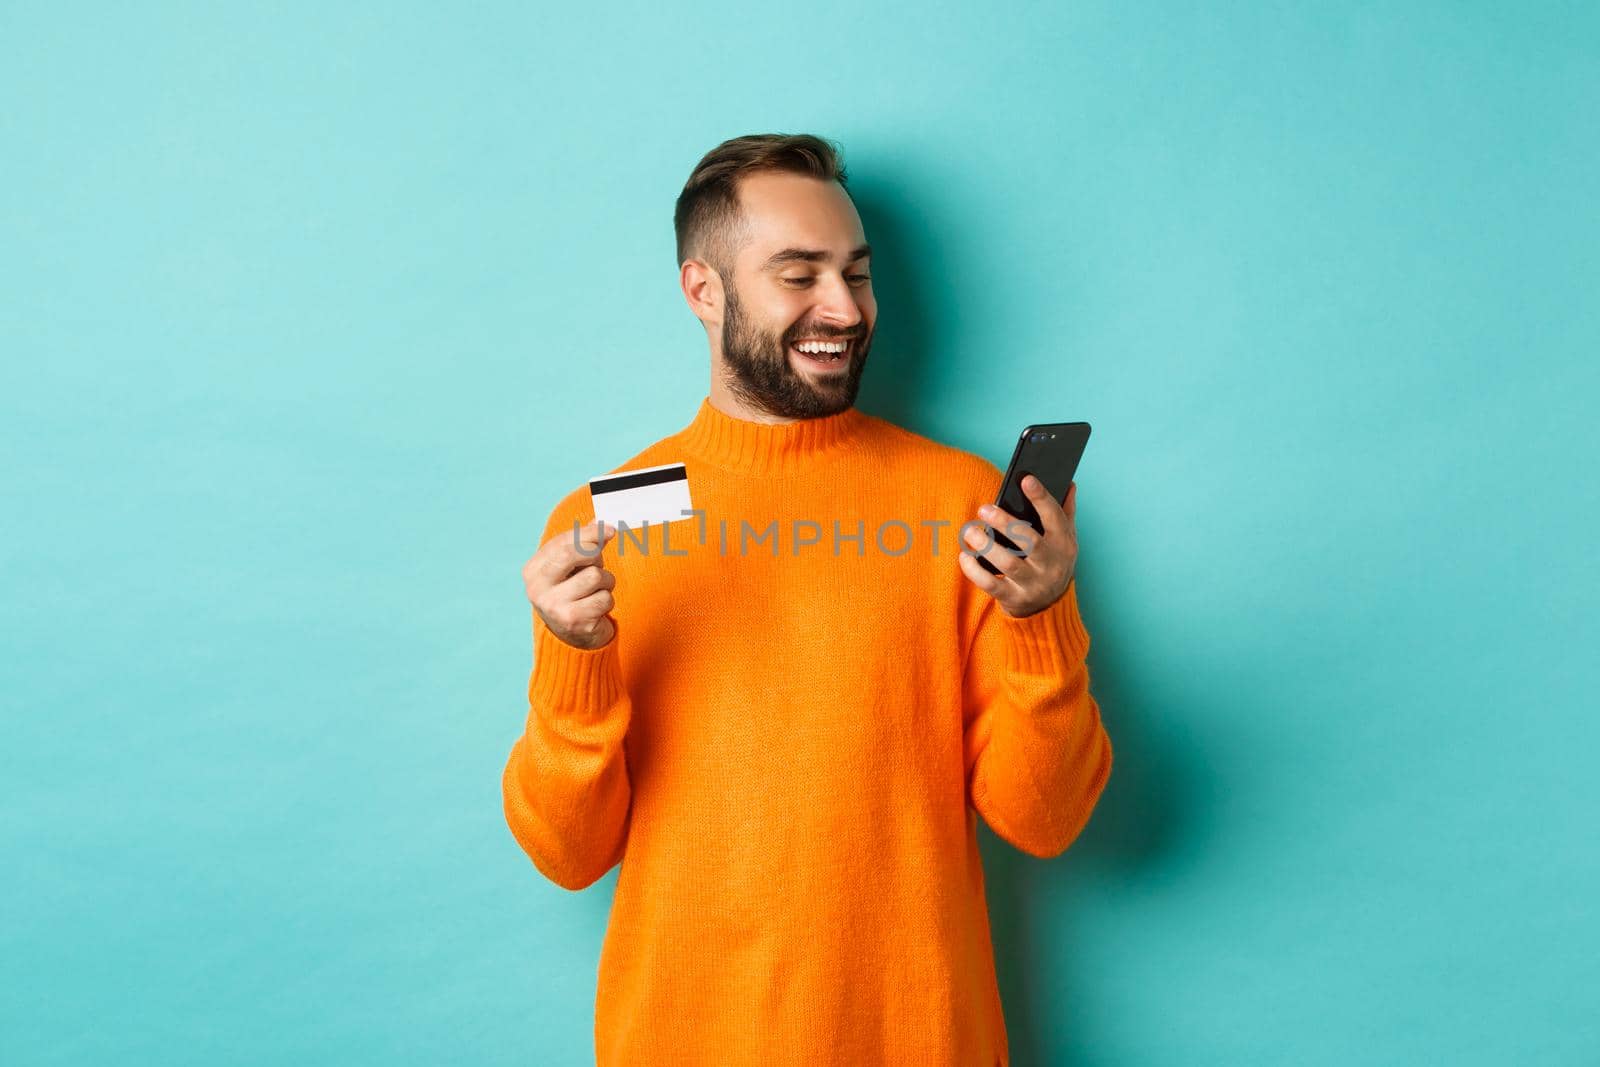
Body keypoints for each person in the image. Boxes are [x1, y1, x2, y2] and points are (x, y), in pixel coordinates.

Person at [502, 132, 1112, 1066]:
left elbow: (1046, 817)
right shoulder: (613, 517)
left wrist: (1039, 621)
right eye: (799, 274)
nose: (845, 308)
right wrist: (574, 657)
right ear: (703, 291)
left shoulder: (959, 504)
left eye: (857, 274)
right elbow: (567, 853)